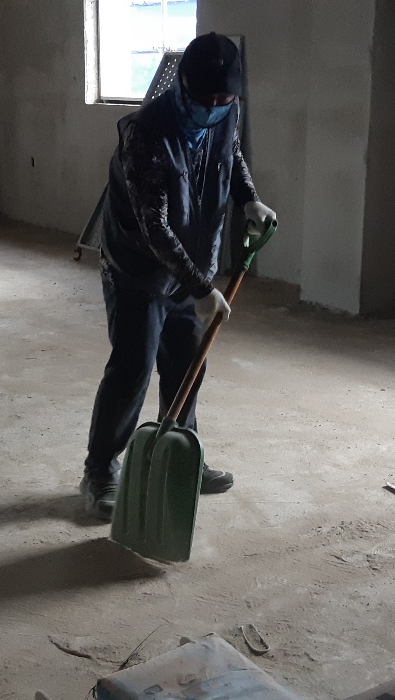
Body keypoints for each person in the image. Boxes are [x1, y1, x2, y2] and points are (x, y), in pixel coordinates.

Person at [80, 33, 276, 520]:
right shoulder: (145, 133)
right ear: (183, 86)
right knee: (132, 367)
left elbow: (231, 156)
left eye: (225, 99)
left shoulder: (225, 112)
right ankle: (100, 470)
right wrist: (201, 289)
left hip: (193, 264)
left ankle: (179, 458)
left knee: (188, 365)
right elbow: (154, 227)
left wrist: (249, 199)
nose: (215, 108)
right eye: (206, 99)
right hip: (138, 269)